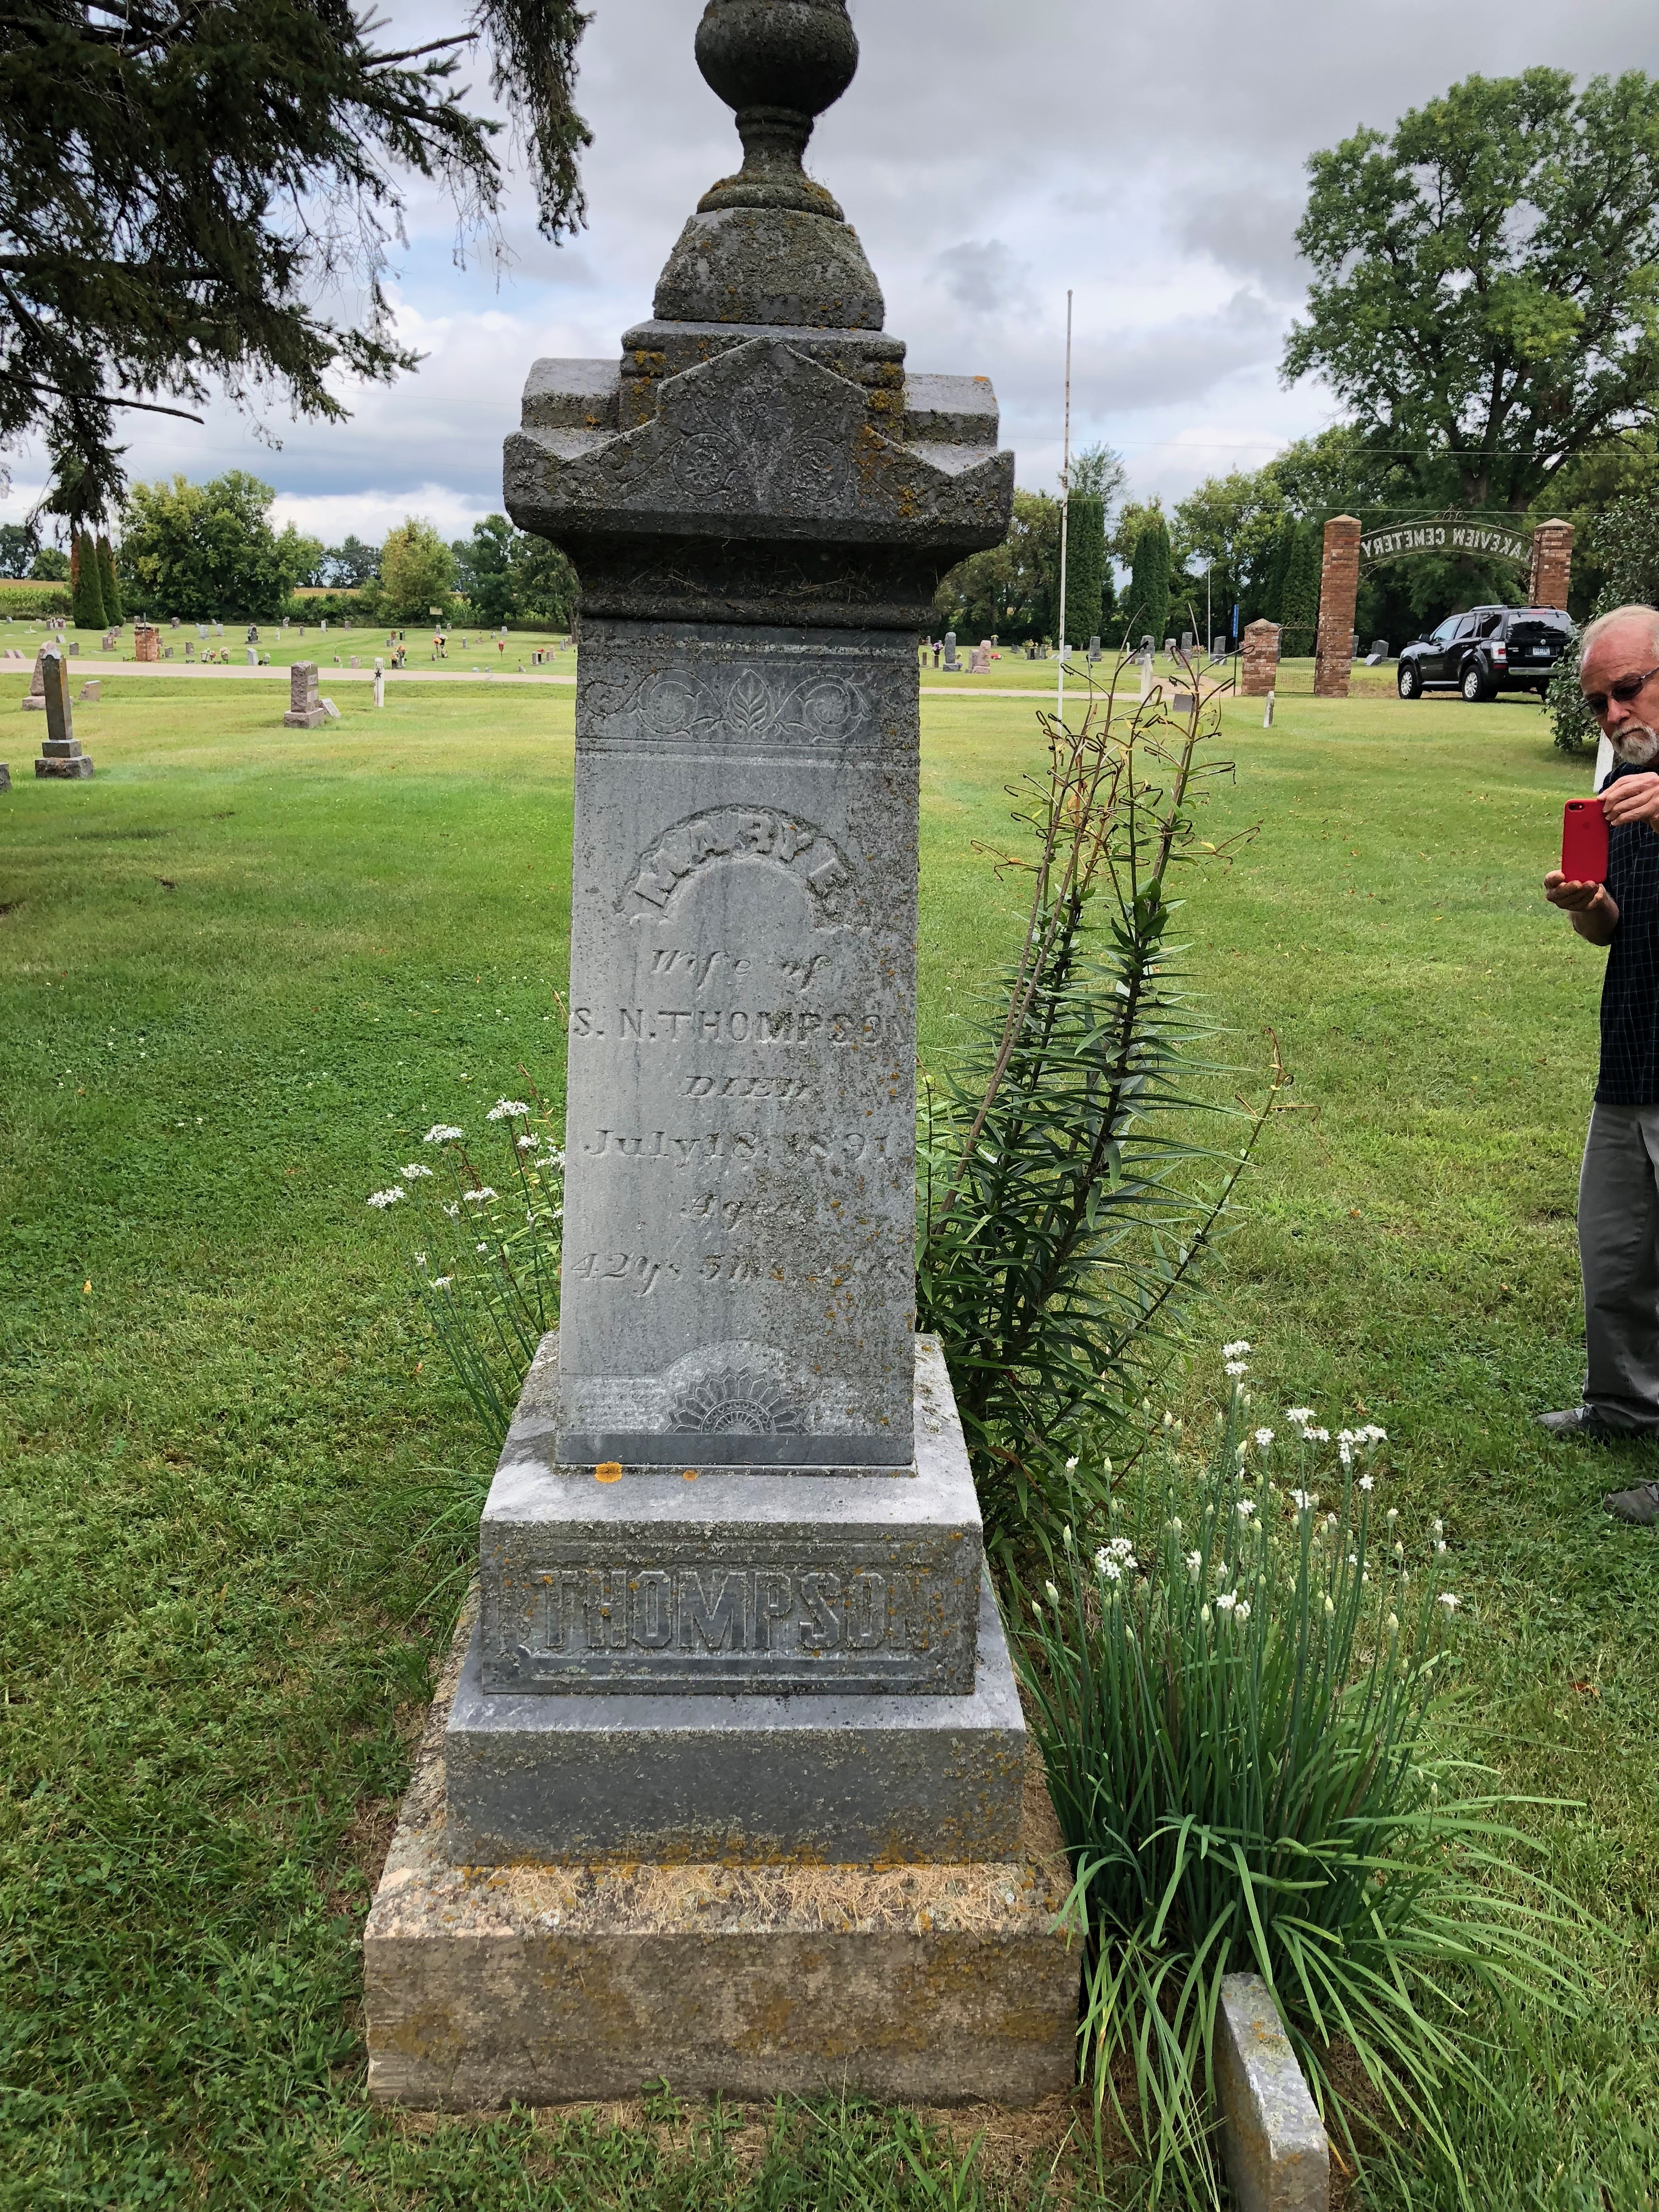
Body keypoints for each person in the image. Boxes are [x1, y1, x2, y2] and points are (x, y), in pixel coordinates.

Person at [1542, 603, 1659, 1517]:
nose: (1615, 715)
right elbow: (1609, 928)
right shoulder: (1622, 780)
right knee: (1614, 1247)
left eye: (1629, 689)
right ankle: (1623, 1405)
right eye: (1597, 704)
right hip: (1632, 1047)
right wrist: (1586, 904)